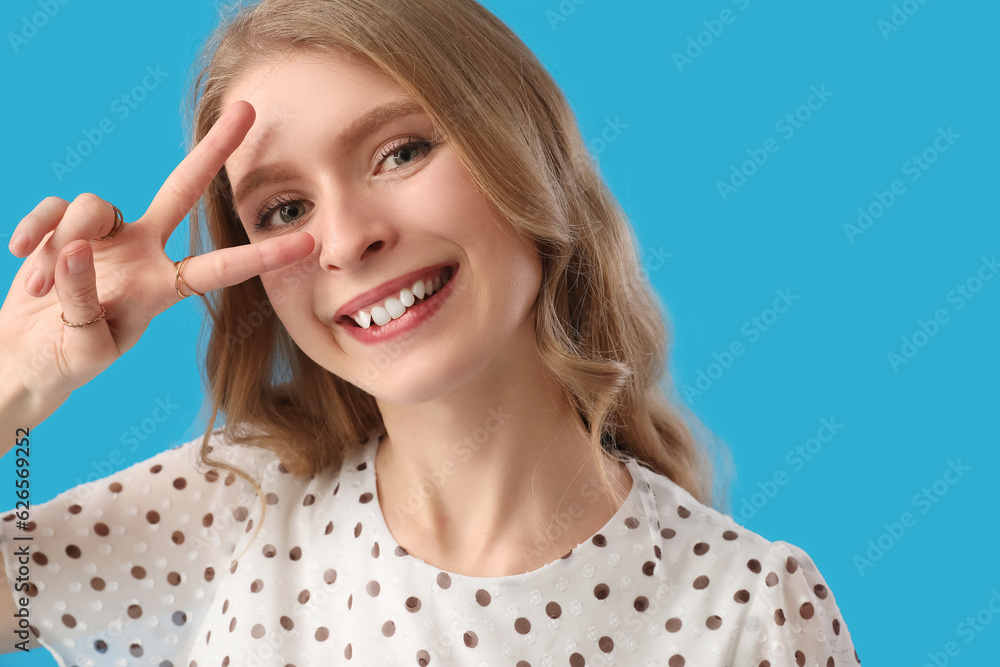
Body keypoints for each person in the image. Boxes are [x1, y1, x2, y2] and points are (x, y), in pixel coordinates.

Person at [0, 0, 860, 664]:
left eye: (400, 152)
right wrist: (12, 385)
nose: (347, 239)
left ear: (527, 153)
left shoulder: (752, 611)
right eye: (286, 208)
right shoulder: (234, 505)